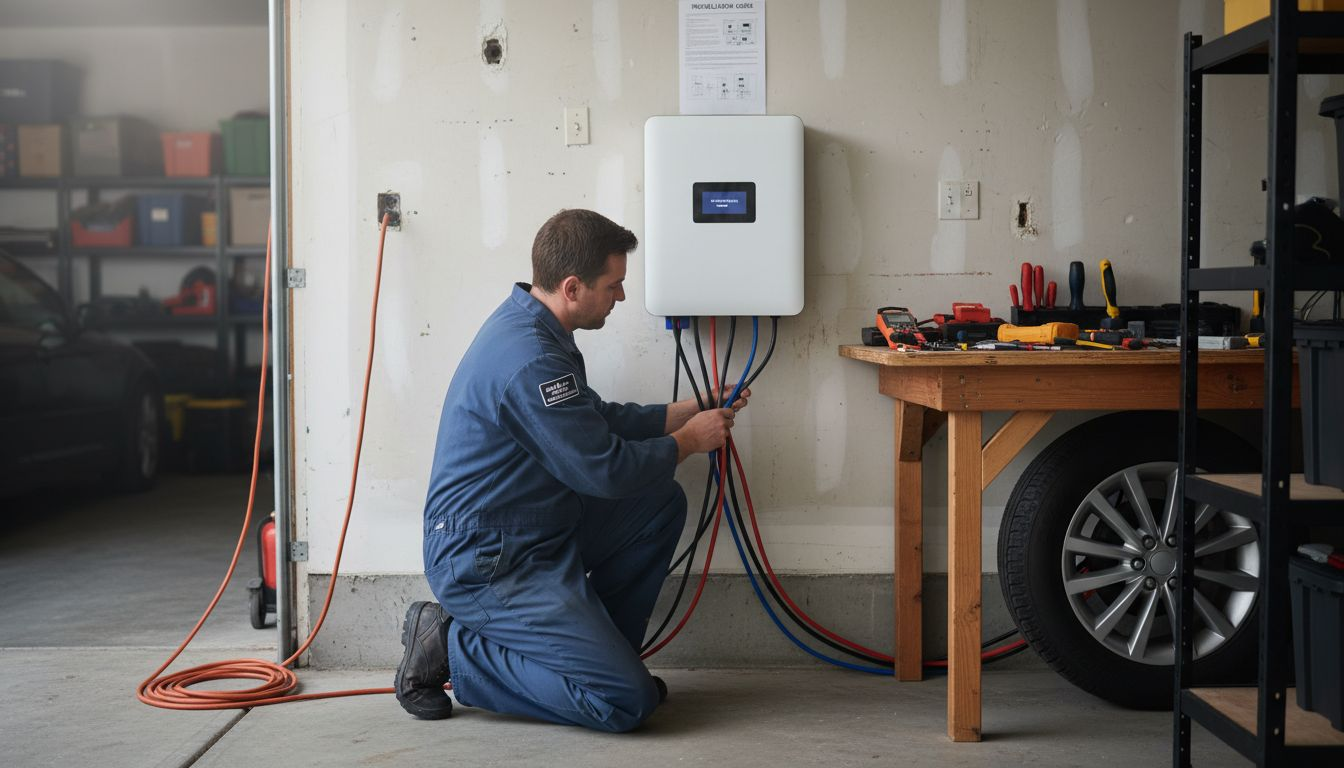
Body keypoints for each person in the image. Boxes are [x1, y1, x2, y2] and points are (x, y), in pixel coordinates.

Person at [394, 208, 747, 732]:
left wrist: (684, 411)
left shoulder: (535, 325)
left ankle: (601, 664)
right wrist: (688, 442)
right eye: (614, 285)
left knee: (657, 504)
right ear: (573, 286)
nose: (621, 297)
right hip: (486, 557)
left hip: (533, 523)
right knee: (624, 704)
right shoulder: (531, 356)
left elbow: (591, 420)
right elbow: (602, 469)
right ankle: (450, 644)